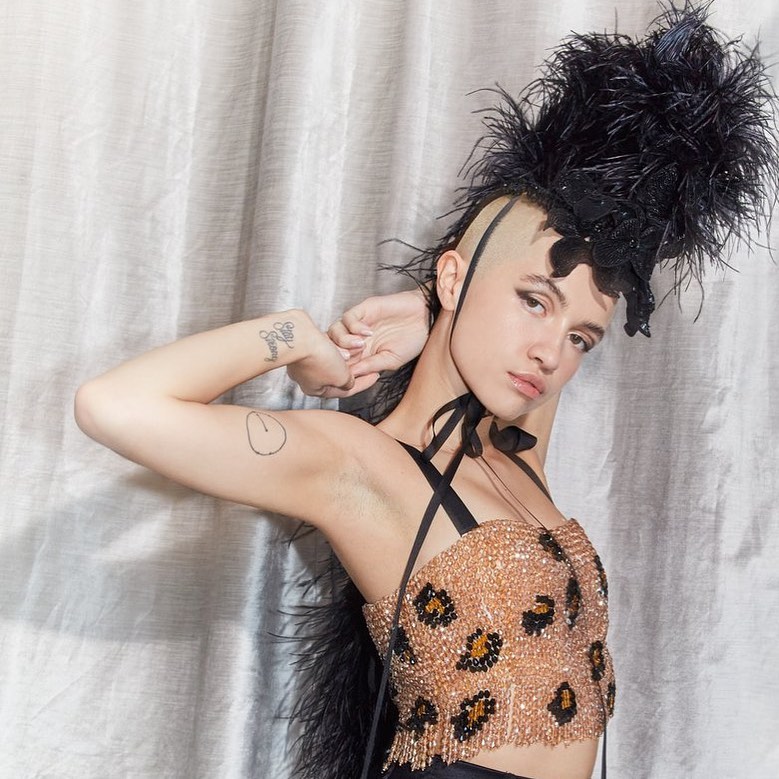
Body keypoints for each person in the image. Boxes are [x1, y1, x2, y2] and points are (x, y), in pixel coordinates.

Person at [73, 6, 775, 779]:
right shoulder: (359, 465)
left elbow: (583, 248)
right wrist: (293, 336)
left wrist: (434, 310)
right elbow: (113, 405)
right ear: (453, 274)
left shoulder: (518, 452)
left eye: (581, 338)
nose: (550, 352)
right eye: (533, 300)